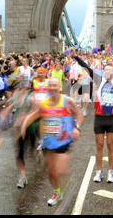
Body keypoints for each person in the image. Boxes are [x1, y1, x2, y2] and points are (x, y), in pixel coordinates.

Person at [21, 78, 83, 206]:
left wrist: (77, 128)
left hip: (63, 141)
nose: (53, 88)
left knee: (61, 171)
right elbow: (34, 115)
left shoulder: (67, 101)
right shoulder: (43, 103)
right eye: (51, 86)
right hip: (48, 142)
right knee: (50, 171)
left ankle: (65, 183)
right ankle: (57, 192)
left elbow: (79, 114)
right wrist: (24, 126)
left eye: (56, 85)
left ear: (59, 87)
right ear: (48, 88)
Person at [92, 65, 113, 183]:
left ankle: (110, 172)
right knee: (99, 145)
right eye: (106, 69)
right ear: (103, 72)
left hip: (111, 119)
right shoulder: (99, 82)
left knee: (110, 145)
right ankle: (98, 172)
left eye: (111, 70)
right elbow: (87, 69)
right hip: (99, 118)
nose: (108, 71)